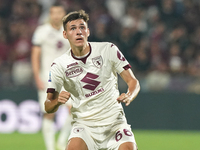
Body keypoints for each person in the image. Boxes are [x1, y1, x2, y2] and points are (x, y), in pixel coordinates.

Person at [45, 10, 140, 150]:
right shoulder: (59, 65)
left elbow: (133, 81)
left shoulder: (108, 49)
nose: (79, 32)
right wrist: (57, 101)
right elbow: (48, 105)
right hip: (85, 126)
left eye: (82, 27)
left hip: (115, 124)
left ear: (88, 31)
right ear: (65, 34)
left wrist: (129, 95)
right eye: (73, 28)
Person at [31, 3, 72, 150]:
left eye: (59, 12)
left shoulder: (70, 31)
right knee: (49, 113)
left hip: (68, 78)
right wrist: (36, 76)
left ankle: (61, 142)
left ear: (64, 14)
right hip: (47, 78)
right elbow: (35, 55)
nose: (56, 15)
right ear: (50, 14)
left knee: (74, 111)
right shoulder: (41, 31)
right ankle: (50, 147)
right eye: (53, 13)